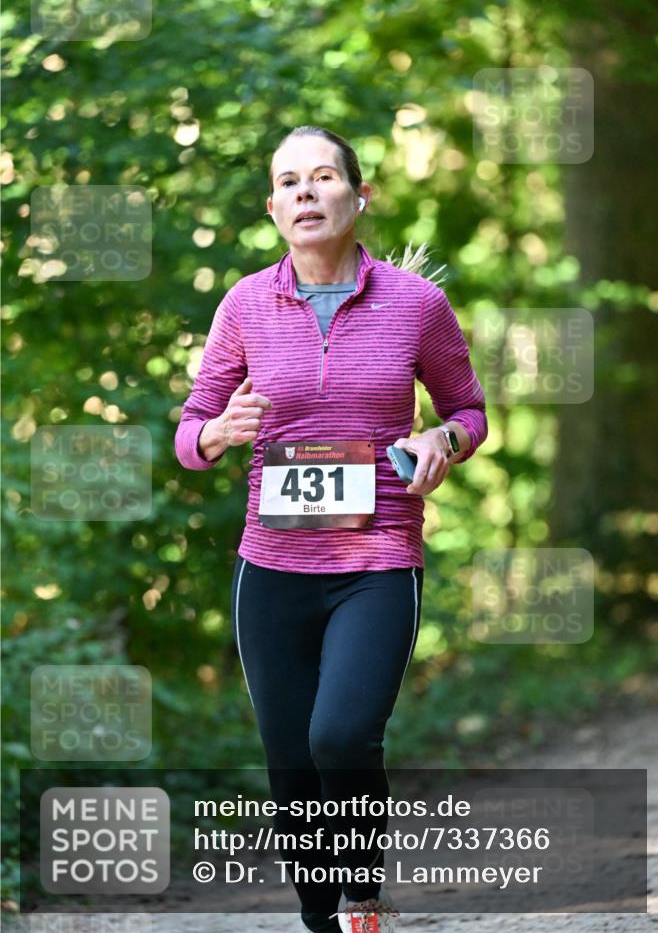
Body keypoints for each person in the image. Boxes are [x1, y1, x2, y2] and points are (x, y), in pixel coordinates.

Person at [174, 126, 488, 933]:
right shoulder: (245, 303)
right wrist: (217, 434)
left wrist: (440, 440)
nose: (306, 191)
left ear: (359, 195)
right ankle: (325, 915)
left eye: (323, 177)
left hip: (376, 559)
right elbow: (192, 429)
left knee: (341, 735)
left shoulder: (416, 304)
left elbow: (468, 410)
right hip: (272, 567)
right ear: (274, 207)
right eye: (290, 181)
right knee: (289, 761)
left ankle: (360, 894)